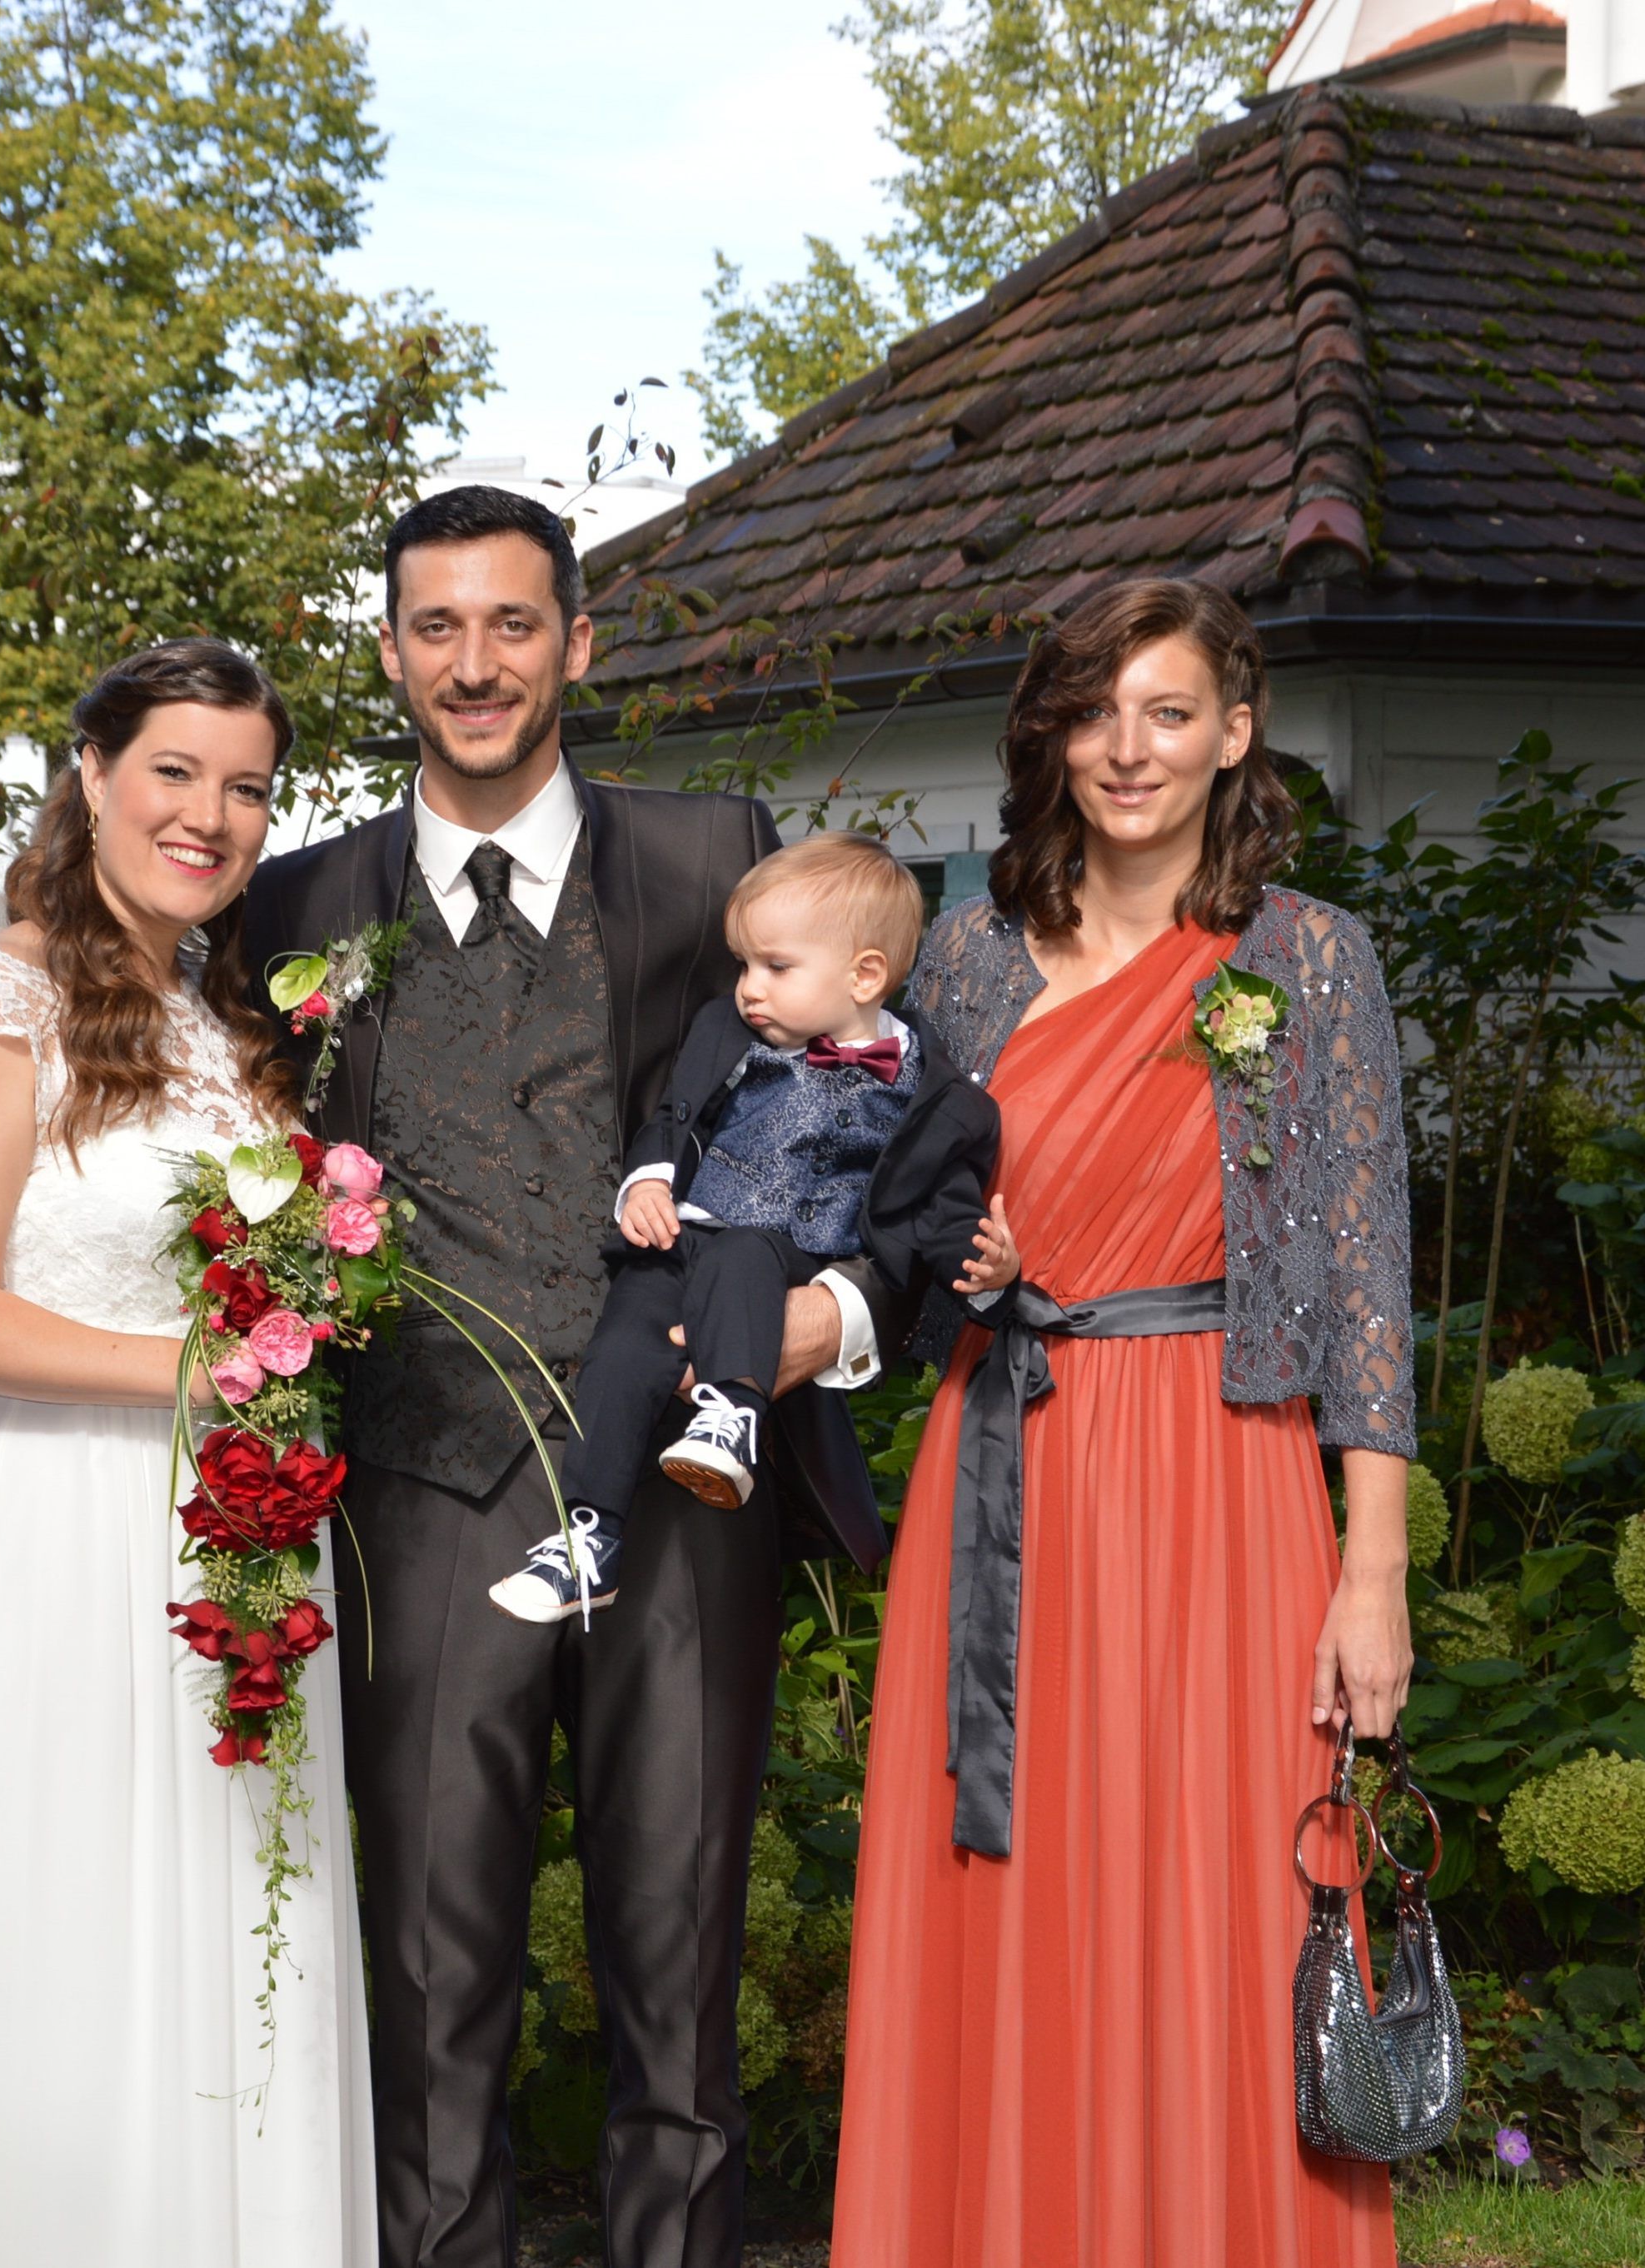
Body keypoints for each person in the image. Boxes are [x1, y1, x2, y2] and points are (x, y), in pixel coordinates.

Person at [242, 485, 903, 2268]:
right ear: (390, 651)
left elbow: (855, 1117)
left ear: (576, 643)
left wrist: (849, 1298)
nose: (476, 663)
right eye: (437, 627)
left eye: (513, 623)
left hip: (682, 1480)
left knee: (676, 1960)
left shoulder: (710, 861)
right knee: (431, 1969)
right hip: (421, 1482)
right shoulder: (294, 902)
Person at [831, 576, 1414, 2268]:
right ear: (1051, 735)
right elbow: (886, 1226)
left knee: (1226, 1895)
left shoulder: (1310, 954)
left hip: (1228, 1468)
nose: (1128, 748)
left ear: (1237, 730)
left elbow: (1370, 1270)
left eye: (1168, 711)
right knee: (1015, 1893)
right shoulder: (957, 956)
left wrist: (1371, 1569)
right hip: (1008, 1462)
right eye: (1094, 712)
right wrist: (961, 1257)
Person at [0, 639, 373, 2266]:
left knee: (248, 1916)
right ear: (92, 770)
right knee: (82, 1928)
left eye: (246, 787)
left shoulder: (228, 1021)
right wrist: (195, 1370)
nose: (211, 815)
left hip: (237, 1517)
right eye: (176, 770)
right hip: (66, 1525)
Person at [491, 832, 1008, 1622]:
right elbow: (673, 1118)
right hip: (681, 1240)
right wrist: (648, 1182)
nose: (747, 988)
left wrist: (989, 1273)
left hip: (787, 1256)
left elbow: (937, 1207)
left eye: (775, 966)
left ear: (865, 974)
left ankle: (732, 1416)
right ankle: (588, 1537)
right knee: (623, 1351)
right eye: (743, 965)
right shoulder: (722, 1035)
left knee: (744, 1255)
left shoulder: (936, 1098)